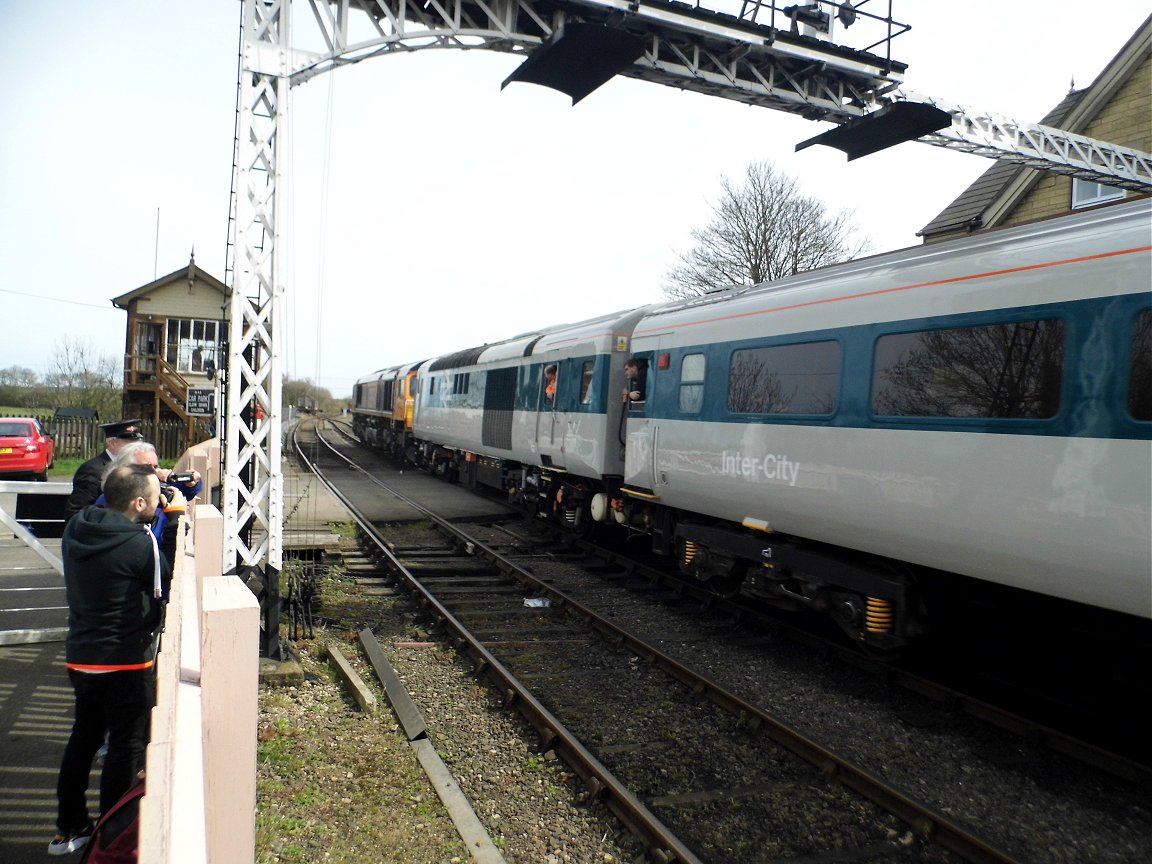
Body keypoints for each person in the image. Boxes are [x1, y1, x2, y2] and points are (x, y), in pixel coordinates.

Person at [49, 464, 171, 856]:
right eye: (154, 497)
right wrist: (169, 519)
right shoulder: (140, 542)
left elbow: (107, 503)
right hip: (125, 662)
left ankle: (70, 826)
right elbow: (160, 588)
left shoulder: (77, 528)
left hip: (80, 657)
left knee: (83, 739)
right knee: (125, 747)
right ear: (139, 503)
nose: (158, 501)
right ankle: (110, 835)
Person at [64, 419, 145, 520]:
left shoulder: (133, 467)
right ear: (112, 443)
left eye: (137, 444)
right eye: (129, 444)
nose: (136, 449)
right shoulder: (92, 470)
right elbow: (76, 513)